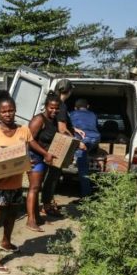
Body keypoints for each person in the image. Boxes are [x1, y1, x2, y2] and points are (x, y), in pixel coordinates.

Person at [0, 91, 44, 274]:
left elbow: (27, 151)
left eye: (11, 110)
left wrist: (29, 161)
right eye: (4, 111)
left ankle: (6, 242)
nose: (8, 114)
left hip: (16, 183)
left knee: (11, 215)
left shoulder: (23, 130)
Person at [41, 79, 84, 216]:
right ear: (69, 91)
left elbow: (59, 122)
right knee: (52, 176)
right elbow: (62, 129)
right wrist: (77, 142)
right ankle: (46, 206)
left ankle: (48, 202)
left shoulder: (53, 101)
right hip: (56, 145)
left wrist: (75, 128)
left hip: (50, 142)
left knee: (51, 176)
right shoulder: (61, 105)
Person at [25, 93, 60, 232]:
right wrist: (45, 153)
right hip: (35, 157)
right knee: (33, 188)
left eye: (57, 108)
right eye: (51, 108)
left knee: (37, 187)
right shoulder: (39, 119)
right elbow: (28, 139)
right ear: (46, 106)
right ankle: (30, 220)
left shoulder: (54, 120)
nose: (54, 111)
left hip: (44, 157)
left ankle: (37, 217)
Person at [69, 99, 101, 197]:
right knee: (87, 150)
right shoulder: (93, 114)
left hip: (83, 140)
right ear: (87, 106)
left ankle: (86, 195)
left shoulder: (72, 114)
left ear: (75, 108)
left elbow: (67, 128)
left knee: (82, 165)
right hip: (95, 138)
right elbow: (96, 126)